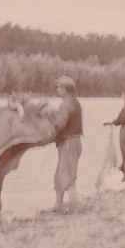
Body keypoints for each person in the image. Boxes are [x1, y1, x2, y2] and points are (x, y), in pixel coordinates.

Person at [52, 75, 83, 213]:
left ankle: (76, 207)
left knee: (67, 178)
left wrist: (50, 132)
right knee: (60, 175)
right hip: (75, 142)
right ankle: (58, 205)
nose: (57, 90)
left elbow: (60, 125)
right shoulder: (76, 102)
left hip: (68, 143)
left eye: (58, 87)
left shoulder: (65, 104)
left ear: (64, 89)